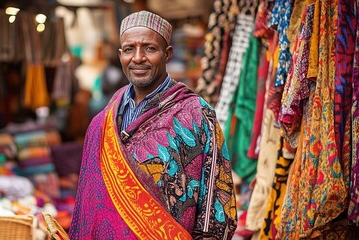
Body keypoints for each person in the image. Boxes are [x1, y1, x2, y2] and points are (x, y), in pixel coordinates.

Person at [69, 10, 237, 239]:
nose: (138, 57)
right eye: (129, 49)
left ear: (167, 54)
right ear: (120, 55)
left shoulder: (196, 114)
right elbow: (88, 203)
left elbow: (216, 206)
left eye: (149, 48)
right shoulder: (102, 122)